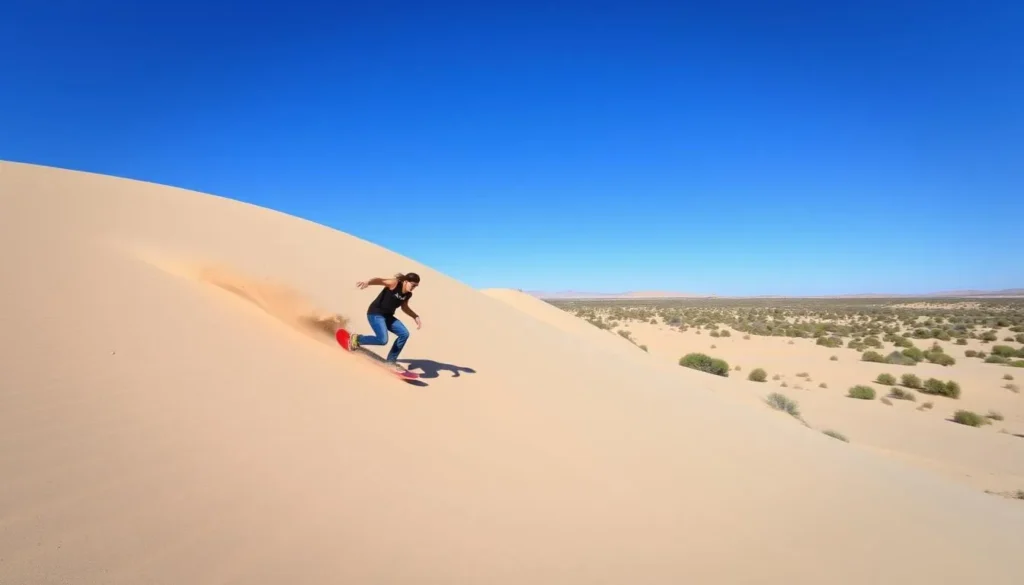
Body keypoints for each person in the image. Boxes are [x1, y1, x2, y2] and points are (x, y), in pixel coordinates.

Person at [347, 272, 422, 369]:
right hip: (375, 314)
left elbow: (404, 307)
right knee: (383, 340)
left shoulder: (408, 294)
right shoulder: (394, 283)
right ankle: (357, 339)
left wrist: (415, 316)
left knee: (404, 334)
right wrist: (368, 282)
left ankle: (391, 361)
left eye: (416, 286)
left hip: (388, 317)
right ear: (406, 281)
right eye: (413, 285)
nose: (413, 288)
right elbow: (380, 280)